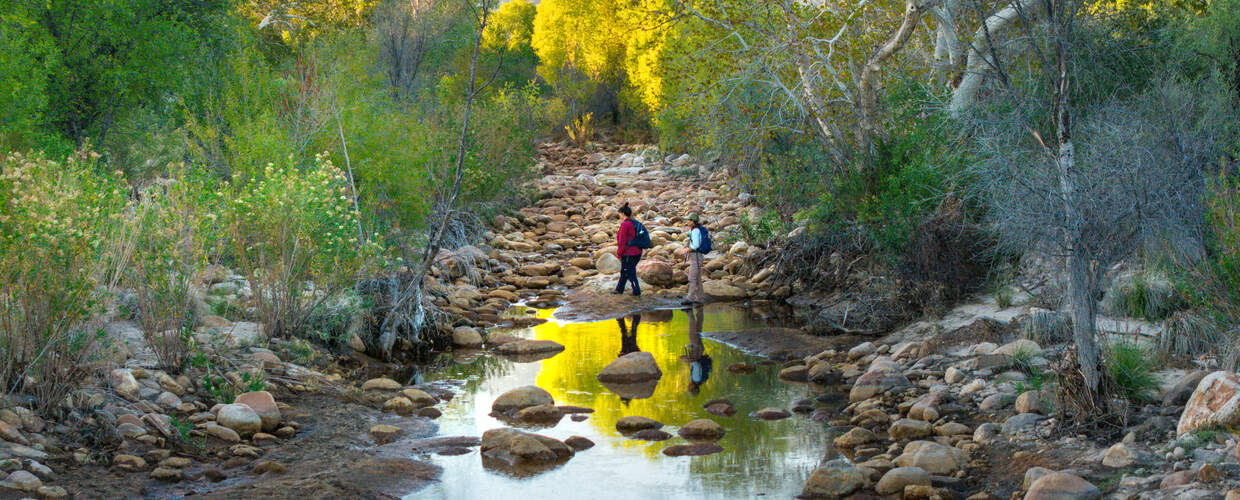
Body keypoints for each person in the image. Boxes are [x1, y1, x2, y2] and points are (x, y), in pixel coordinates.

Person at [681, 305, 712, 394]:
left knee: (698, 329)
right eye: (689, 388)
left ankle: (699, 308)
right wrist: (687, 360)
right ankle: (689, 312)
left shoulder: (700, 380)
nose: (688, 386)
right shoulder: (696, 379)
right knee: (692, 333)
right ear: (693, 388)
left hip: (699, 351)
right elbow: (696, 365)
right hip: (696, 352)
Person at [613, 202, 642, 296]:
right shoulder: (634, 222)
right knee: (625, 271)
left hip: (629, 253)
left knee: (630, 273)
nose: (619, 216)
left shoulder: (625, 225)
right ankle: (619, 290)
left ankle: (636, 292)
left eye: (620, 214)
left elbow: (622, 241)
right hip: (637, 252)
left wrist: (619, 253)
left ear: (623, 214)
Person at [677, 213, 706, 304]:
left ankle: (690, 298)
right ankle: (699, 298)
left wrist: (686, 250)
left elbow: (696, 245)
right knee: (697, 278)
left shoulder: (695, 231)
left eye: (689, 220)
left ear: (693, 221)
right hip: (697, 256)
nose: (687, 221)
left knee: (692, 278)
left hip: (696, 256)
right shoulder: (695, 230)